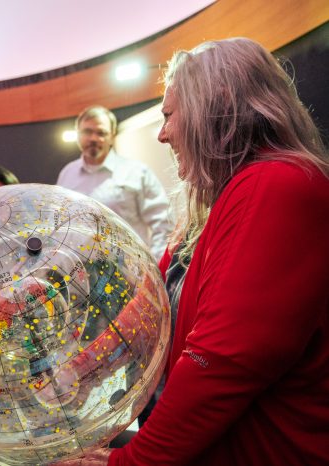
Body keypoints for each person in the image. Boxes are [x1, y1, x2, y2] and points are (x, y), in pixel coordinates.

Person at [54, 38, 329, 466]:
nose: (162, 134)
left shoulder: (278, 184)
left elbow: (221, 363)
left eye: (168, 116)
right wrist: (76, 370)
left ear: (215, 105)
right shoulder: (224, 200)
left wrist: (126, 463)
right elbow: (150, 313)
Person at [56, 106, 171, 260]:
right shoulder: (67, 174)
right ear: (78, 134)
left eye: (101, 133)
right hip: (82, 272)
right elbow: (60, 225)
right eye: (87, 132)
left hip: (130, 271)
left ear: (112, 136)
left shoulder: (137, 172)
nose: (93, 138)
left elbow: (164, 223)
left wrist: (156, 266)